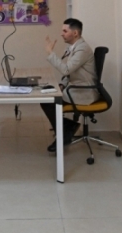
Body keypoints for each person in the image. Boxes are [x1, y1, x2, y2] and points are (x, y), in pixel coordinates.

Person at [41, 18, 98, 152]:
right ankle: (66, 128)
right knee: (46, 93)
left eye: (65, 31)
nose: (61, 33)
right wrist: (62, 84)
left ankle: (65, 132)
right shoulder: (74, 47)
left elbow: (66, 69)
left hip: (83, 91)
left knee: (48, 99)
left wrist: (50, 52)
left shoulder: (82, 49)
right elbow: (71, 73)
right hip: (74, 87)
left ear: (75, 33)